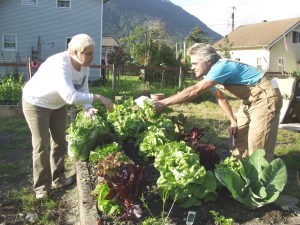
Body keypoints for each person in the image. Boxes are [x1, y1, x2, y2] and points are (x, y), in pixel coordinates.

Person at [155, 43, 282, 163]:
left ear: (208, 61)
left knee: (258, 144)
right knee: (237, 136)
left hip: (265, 97)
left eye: (195, 63)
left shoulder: (221, 67)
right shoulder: (210, 76)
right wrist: (233, 120)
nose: (192, 67)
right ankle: (241, 173)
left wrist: (162, 103)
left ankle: (261, 179)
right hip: (249, 100)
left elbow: (195, 91)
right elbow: (220, 98)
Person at [22, 33, 114, 200]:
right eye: (88, 54)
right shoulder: (60, 64)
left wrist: (88, 107)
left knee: (60, 141)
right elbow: (71, 96)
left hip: (57, 104)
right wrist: (99, 98)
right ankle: (42, 186)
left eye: (93, 53)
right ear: (74, 53)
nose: (93, 57)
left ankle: (58, 178)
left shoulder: (84, 64)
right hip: (36, 102)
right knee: (41, 144)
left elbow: (83, 88)